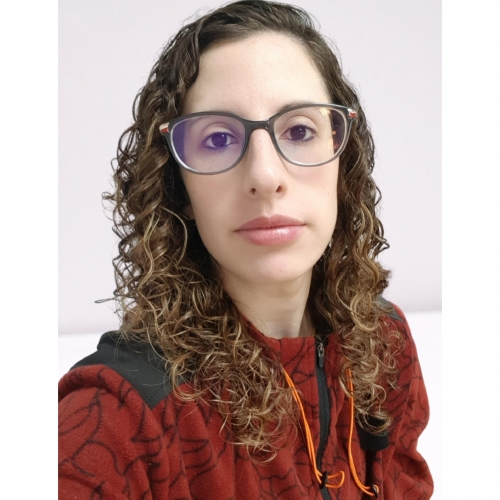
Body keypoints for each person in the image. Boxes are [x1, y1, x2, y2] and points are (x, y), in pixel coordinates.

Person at [58, 1, 433, 498]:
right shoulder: (119, 416)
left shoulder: (384, 341)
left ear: (342, 159)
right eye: (217, 139)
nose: (265, 175)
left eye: (299, 131)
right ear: (178, 187)